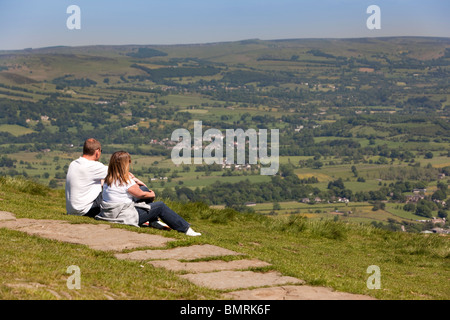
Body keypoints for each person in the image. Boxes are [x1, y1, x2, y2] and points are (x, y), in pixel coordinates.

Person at [95, 151, 201, 236]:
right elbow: (142, 195)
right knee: (160, 206)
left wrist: (138, 183)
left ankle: (153, 221)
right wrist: (152, 194)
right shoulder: (125, 181)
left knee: (144, 189)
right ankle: (185, 229)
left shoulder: (108, 179)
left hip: (111, 213)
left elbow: (140, 190)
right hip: (123, 216)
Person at [65, 138, 108, 217]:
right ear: (97, 152)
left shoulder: (73, 164)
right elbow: (118, 173)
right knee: (113, 191)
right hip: (86, 210)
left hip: (72, 210)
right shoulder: (94, 166)